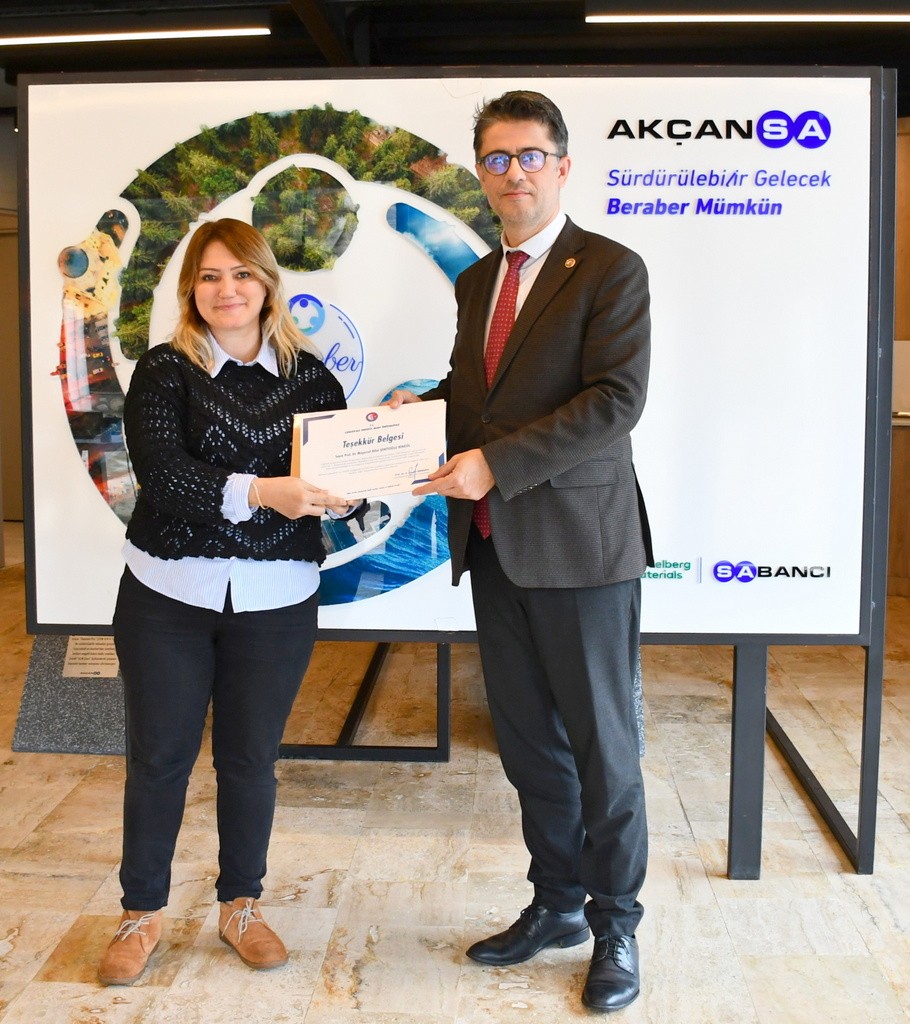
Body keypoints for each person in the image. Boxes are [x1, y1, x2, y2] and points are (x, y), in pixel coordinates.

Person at [388, 90, 653, 1013]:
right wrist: (417, 414)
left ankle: (617, 924)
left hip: (581, 548)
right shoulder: (477, 282)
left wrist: (494, 463)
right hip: (495, 548)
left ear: (562, 166)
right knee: (532, 746)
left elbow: (615, 401)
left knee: (603, 749)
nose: (513, 173)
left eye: (529, 155)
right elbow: (480, 396)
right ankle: (559, 902)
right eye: (496, 159)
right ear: (481, 173)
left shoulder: (610, 268)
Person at [99, 217, 353, 986]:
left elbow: (332, 478)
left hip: (278, 599)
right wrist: (267, 491)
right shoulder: (163, 371)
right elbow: (165, 477)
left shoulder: (313, 381)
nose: (227, 289)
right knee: (159, 759)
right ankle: (141, 912)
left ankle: (241, 905)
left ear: (267, 285)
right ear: (191, 290)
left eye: (241, 274)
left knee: (249, 761)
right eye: (209, 276)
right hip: (167, 595)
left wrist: (345, 493)